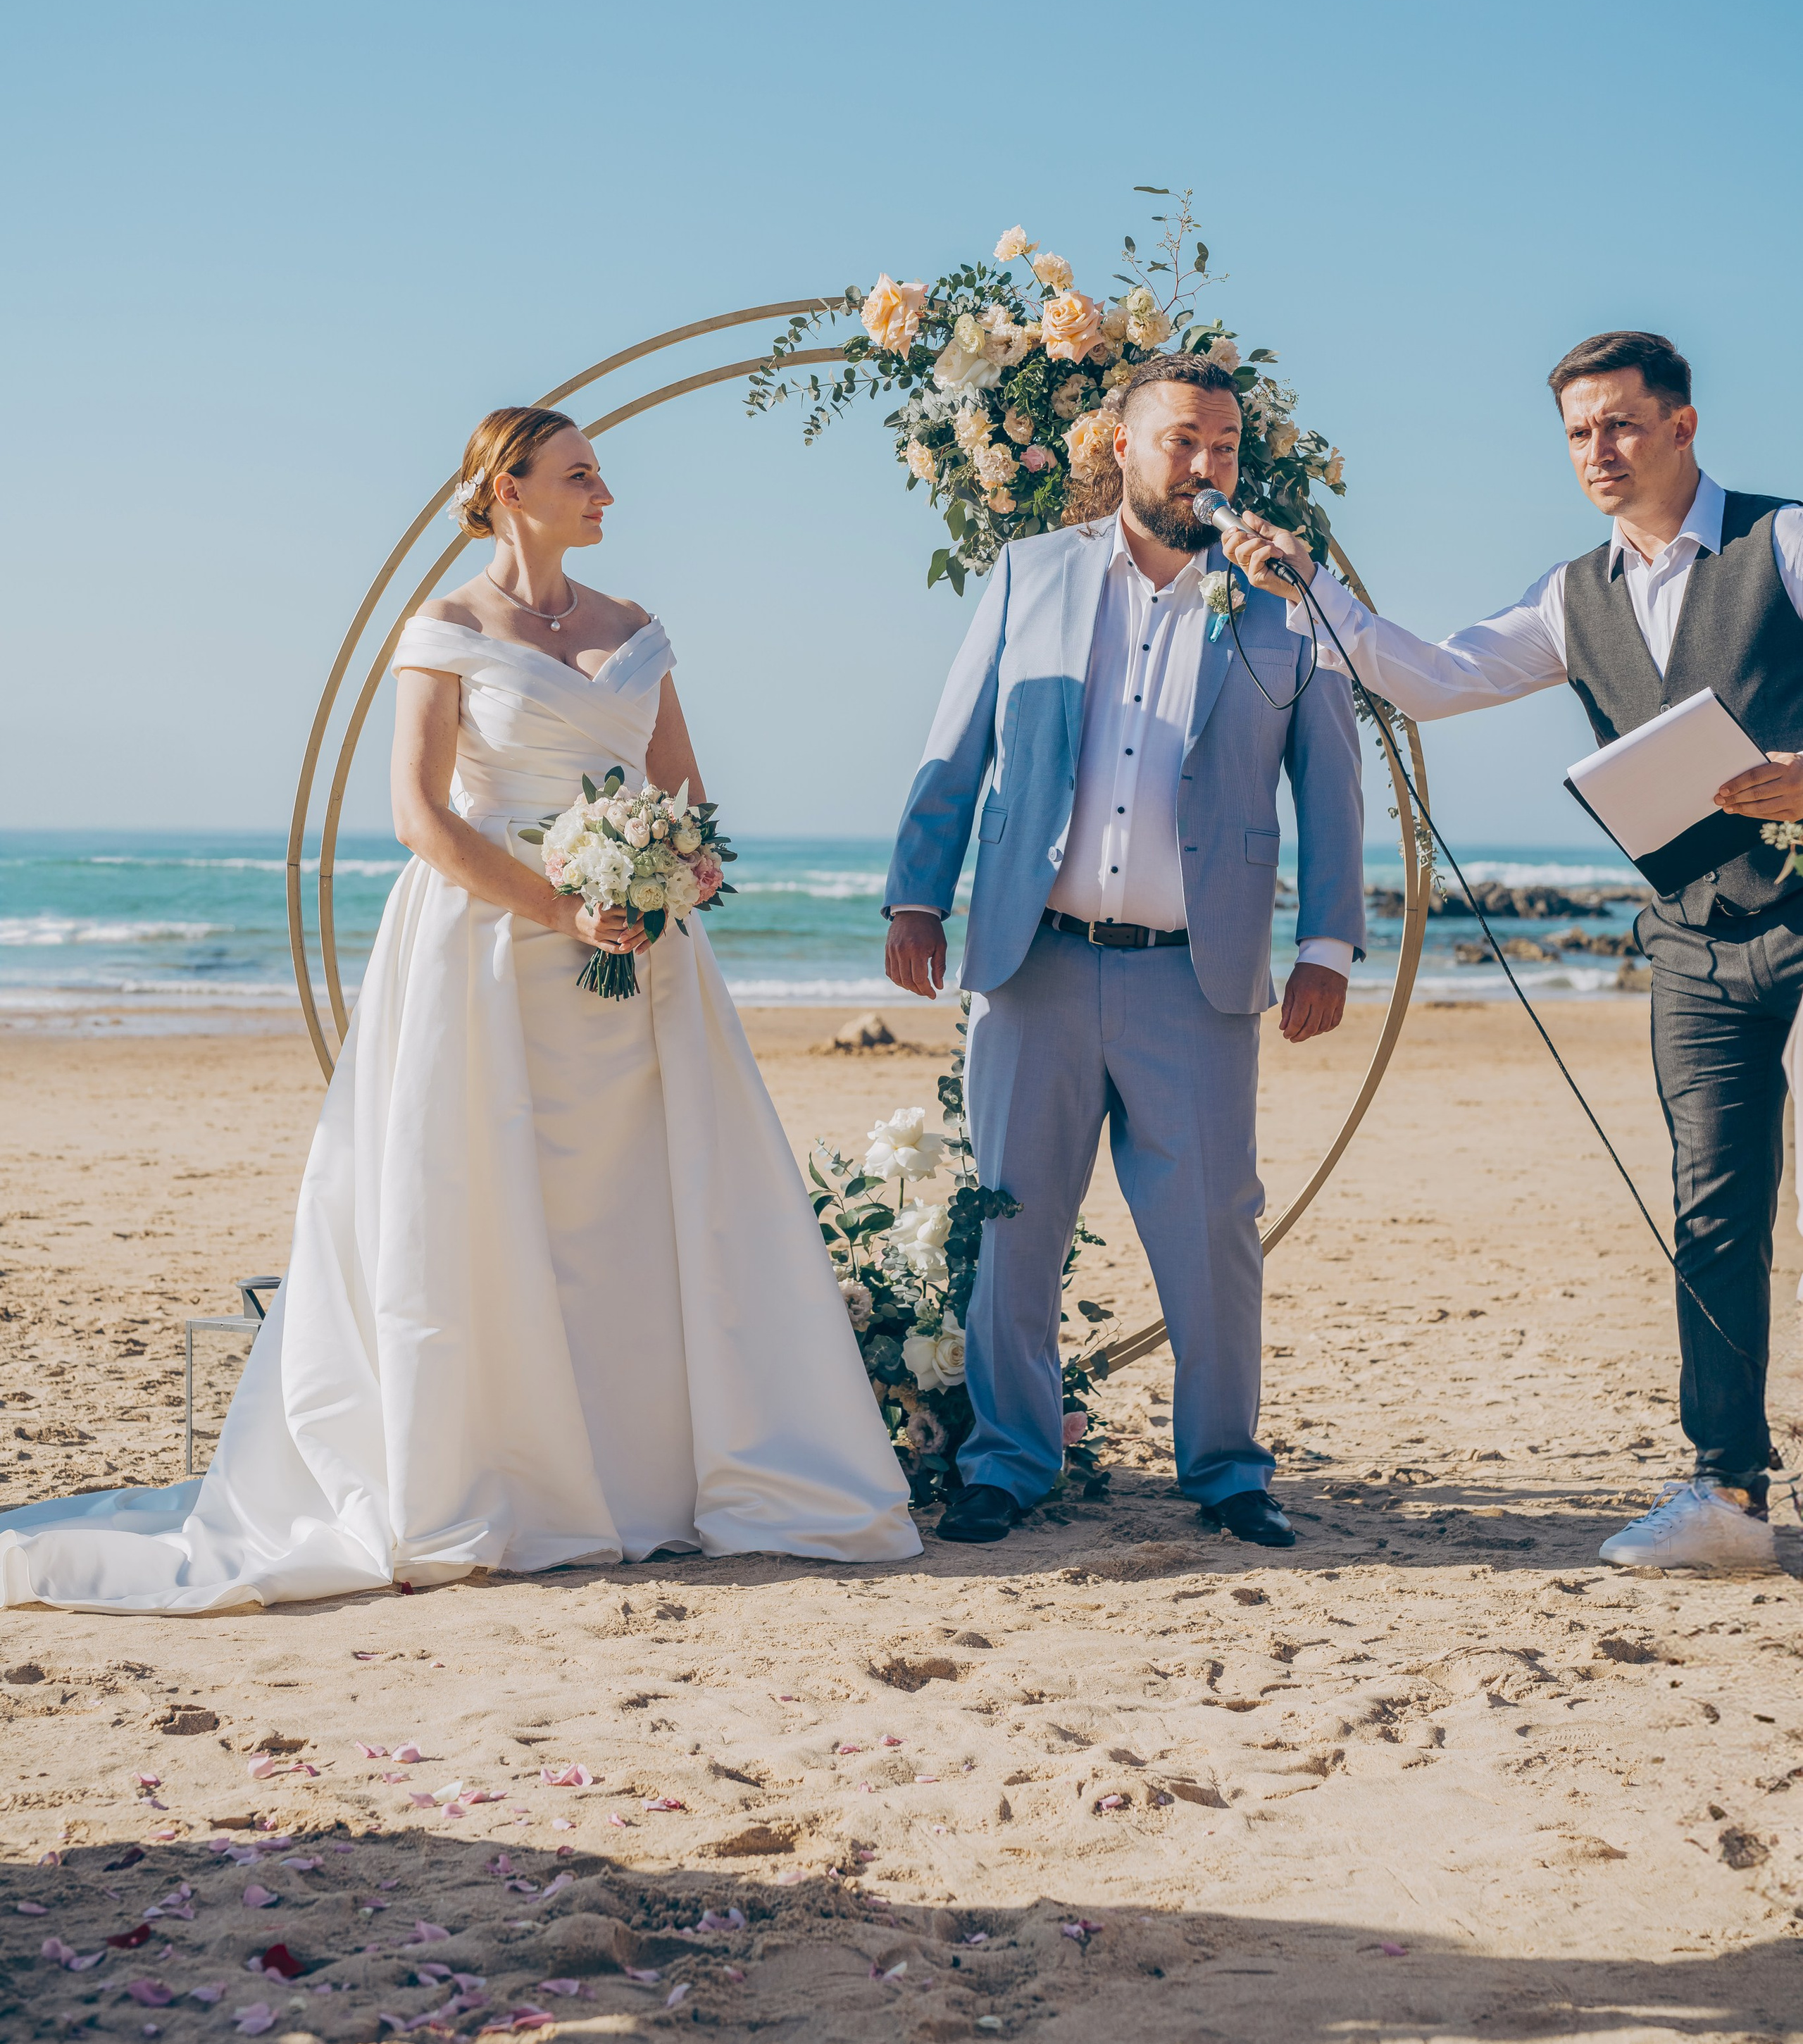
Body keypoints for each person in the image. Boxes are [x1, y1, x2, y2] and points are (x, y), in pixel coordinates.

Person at [0, 406, 919, 1611]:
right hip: (487, 954)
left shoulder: (638, 631)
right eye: (581, 474)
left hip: (642, 965)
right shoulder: (444, 628)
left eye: (600, 473)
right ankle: (505, 1475)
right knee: (485, 1203)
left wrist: (673, 873)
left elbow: (688, 799)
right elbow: (421, 817)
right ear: (510, 487)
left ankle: (650, 1479)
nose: (606, 493)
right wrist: (559, 906)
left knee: (644, 1209)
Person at [1225, 328, 1803, 1574]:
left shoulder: (1787, 542)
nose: (1599, 451)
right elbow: (1428, 682)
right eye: (1579, 433)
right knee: (1712, 1214)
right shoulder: (1567, 595)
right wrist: (1310, 590)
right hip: (1695, 945)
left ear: (1685, 425)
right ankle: (1728, 1498)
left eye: (1623, 425)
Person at [884, 354, 1366, 1547]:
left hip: (1194, 977)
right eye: (1184, 441)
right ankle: (1008, 1460)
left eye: (1226, 447)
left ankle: (1227, 1470)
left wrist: (1330, 945)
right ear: (1121, 444)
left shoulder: (1284, 599)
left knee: (1212, 1231)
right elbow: (959, 745)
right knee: (1011, 1226)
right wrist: (915, 897)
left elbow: (1334, 783)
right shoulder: (1029, 574)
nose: (1207, 467)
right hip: (1030, 961)